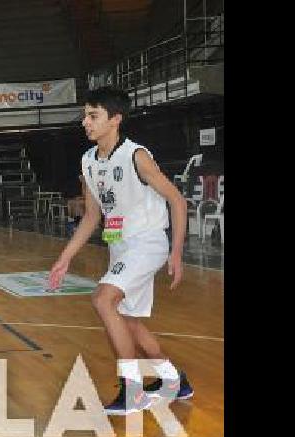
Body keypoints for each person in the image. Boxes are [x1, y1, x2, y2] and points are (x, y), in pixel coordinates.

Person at [47, 86, 194, 416]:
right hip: (120, 245)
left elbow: (177, 200)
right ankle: (175, 382)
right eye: (85, 115)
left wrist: (176, 252)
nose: (85, 122)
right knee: (129, 324)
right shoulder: (87, 160)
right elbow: (92, 216)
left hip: (148, 241)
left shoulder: (136, 155)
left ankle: (134, 391)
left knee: (102, 299)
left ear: (115, 119)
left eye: (93, 116)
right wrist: (65, 257)